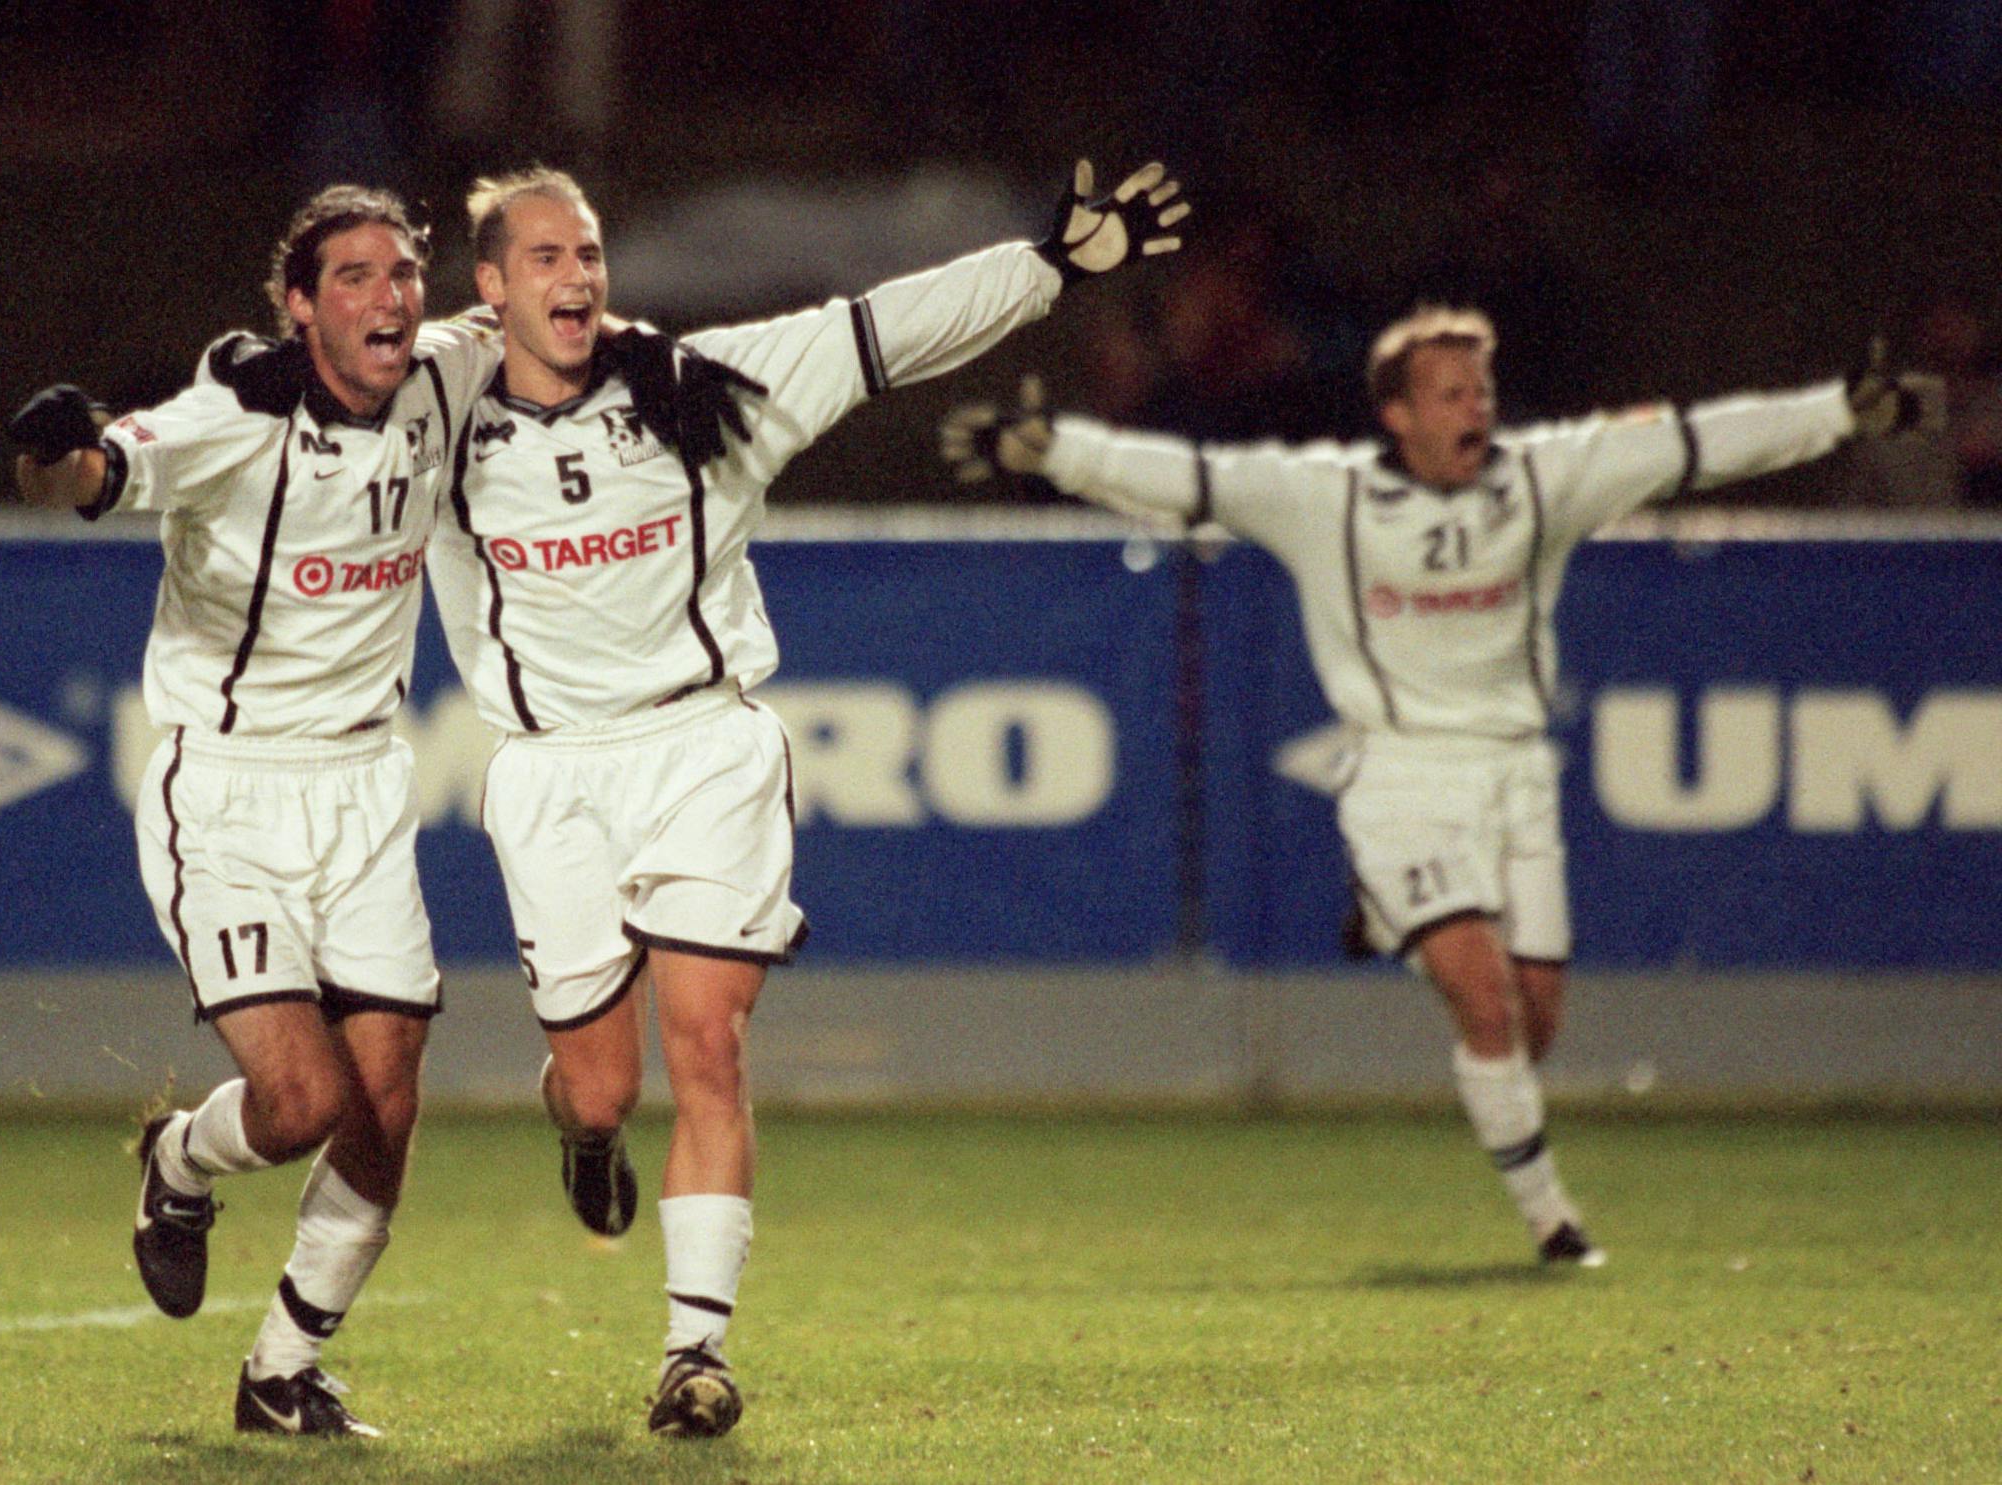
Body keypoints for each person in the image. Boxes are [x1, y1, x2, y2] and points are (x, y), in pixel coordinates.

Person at [427, 158, 1188, 1438]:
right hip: (550, 769)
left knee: (709, 1045)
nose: (576, 276)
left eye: (590, 253)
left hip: (706, 748)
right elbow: (310, 398)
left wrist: (1050, 265)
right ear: (492, 285)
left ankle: (693, 1356)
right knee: (604, 1086)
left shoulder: (705, 387)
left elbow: (884, 329)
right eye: (544, 258)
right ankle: (582, 1130)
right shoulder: (432, 418)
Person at [941, 305, 1939, 1268]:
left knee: (1535, 1021)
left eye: (1483, 389)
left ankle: (1391, 917)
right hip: (1400, 774)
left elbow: (1699, 442)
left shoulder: (1544, 481)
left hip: (1516, 776)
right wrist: (1049, 449)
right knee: (1487, 1005)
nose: (1476, 409)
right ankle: (1553, 1222)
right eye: (1451, 392)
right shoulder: (1323, 497)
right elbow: (1184, 478)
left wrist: (1844, 410)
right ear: (1398, 415)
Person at [6, 185, 502, 1438]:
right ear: (298, 305)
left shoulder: (445, 373)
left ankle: (281, 1376)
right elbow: (83, 478)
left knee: (386, 1104)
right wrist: (48, 446)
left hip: (364, 785)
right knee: (303, 1108)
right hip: (223, 792)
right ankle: (178, 1160)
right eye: (354, 278)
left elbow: (556, 331)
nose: (389, 298)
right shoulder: (231, 417)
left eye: (403, 274)